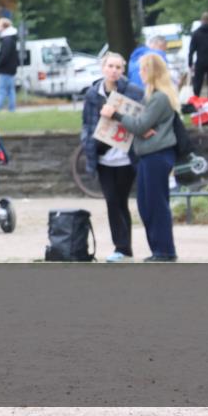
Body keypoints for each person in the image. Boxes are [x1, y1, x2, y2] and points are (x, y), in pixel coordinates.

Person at [100, 53, 179, 262]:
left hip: (157, 155)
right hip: (147, 155)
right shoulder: (151, 96)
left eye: (143, 69)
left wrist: (115, 114)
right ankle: (158, 250)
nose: (140, 73)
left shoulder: (159, 97)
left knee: (156, 205)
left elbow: (139, 125)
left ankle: (165, 251)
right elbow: (141, 123)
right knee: (146, 205)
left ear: (151, 71)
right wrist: (138, 124)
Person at [81, 52, 144, 263]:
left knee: (121, 201)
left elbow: (141, 119)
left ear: (123, 70)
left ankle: (124, 248)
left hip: (126, 157)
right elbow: (86, 125)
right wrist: (89, 145)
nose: (114, 71)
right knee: (111, 201)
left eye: (118, 67)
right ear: (103, 68)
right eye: (110, 66)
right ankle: (122, 248)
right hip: (103, 158)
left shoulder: (134, 92)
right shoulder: (92, 94)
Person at [0, 17, 20, 113]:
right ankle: (12, 109)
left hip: (5, 69)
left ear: (4, 27)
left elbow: (4, 55)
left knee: (2, 90)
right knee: (10, 90)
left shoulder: (7, 40)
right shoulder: (11, 39)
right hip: (10, 69)